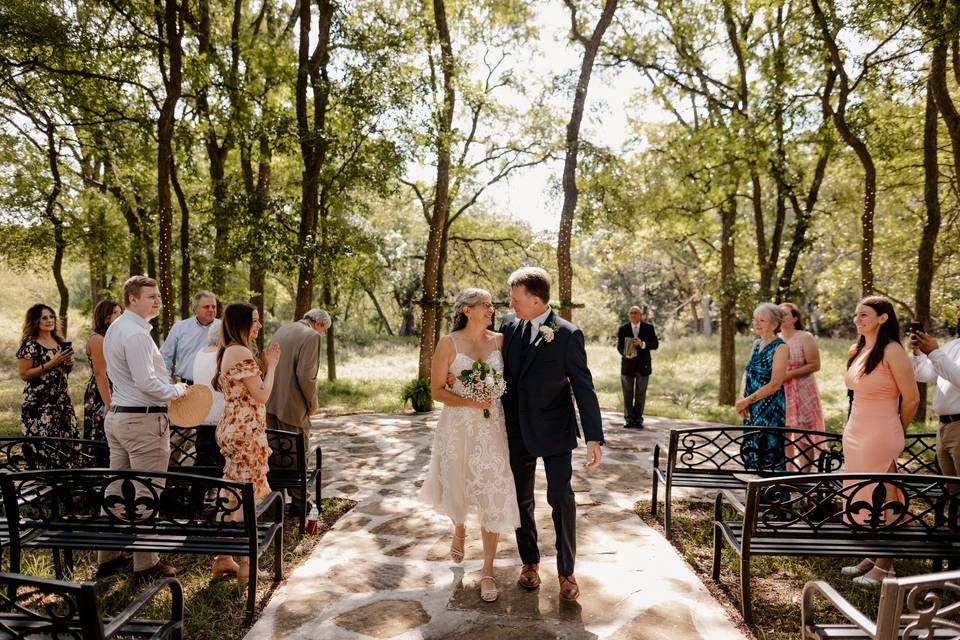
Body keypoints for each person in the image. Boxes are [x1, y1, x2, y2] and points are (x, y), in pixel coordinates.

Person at [499, 267, 604, 603]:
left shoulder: (568, 334)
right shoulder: (508, 327)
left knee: (560, 499)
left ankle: (566, 571)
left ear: (535, 299)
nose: (511, 304)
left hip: (556, 430)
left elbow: (584, 388)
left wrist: (593, 437)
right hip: (516, 430)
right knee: (521, 500)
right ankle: (529, 562)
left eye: (516, 299)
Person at [420, 288, 520, 603]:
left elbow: (513, 381)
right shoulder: (448, 344)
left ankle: (488, 570)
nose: (492, 309)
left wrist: (492, 393)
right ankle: (459, 527)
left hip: (492, 429)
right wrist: (469, 399)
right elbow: (436, 390)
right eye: (485, 305)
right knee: (458, 485)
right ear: (467, 310)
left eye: (492, 304)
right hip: (457, 428)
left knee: (493, 491)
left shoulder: (501, 342)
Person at [97, 276, 184, 580]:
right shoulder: (135, 334)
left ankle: (108, 557)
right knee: (148, 490)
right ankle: (146, 563)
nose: (158, 300)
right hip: (142, 421)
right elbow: (147, 383)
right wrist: (179, 392)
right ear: (133, 299)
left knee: (117, 487)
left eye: (158, 295)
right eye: (151, 296)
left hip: (119, 417)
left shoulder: (116, 329)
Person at [841, 296, 918, 586]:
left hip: (881, 432)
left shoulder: (893, 350)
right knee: (862, 493)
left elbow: (911, 398)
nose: (857, 319)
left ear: (883, 318)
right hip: (857, 431)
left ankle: (886, 566)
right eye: (856, 314)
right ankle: (872, 555)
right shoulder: (860, 348)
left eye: (864, 314)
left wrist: (898, 428)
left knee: (885, 498)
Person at [211, 303, 280, 583]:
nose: (258, 325)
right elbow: (262, 395)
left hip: (234, 427)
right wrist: (272, 366)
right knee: (247, 497)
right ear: (240, 322)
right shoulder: (240, 351)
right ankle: (247, 566)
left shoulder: (228, 350)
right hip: (245, 431)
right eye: (254, 320)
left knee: (233, 493)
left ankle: (223, 559)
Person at [266, 309, 330, 516]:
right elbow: (306, 376)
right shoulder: (311, 336)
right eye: (325, 330)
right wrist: (312, 403)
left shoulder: (282, 330)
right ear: (319, 324)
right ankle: (301, 504)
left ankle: (275, 502)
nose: (324, 334)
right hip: (292, 407)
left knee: (275, 453)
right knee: (297, 454)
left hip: (270, 403)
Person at [911, 300, 960, 490]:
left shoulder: (942, 350)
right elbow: (925, 375)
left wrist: (934, 352)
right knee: (952, 491)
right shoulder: (952, 345)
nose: (958, 313)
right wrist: (919, 353)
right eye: (958, 309)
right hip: (944, 428)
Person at [735, 303, 789, 471]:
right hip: (751, 406)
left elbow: (774, 384)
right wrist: (741, 399)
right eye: (755, 320)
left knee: (769, 454)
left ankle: (773, 495)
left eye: (762, 320)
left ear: (774, 325)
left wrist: (748, 401)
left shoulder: (781, 347)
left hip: (770, 408)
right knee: (751, 449)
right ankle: (753, 494)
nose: (756, 324)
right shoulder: (757, 343)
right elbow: (748, 373)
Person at [17, 304, 78, 439]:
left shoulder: (59, 342)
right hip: (39, 403)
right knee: (43, 446)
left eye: (51, 317)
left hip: (61, 401)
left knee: (66, 442)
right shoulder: (30, 345)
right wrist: (52, 363)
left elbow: (63, 371)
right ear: (35, 321)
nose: (50, 320)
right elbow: (24, 375)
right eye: (44, 318)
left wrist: (68, 364)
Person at [778, 302, 826, 469]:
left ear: (795, 318)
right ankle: (786, 476)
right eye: (778, 313)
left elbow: (814, 365)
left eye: (785, 314)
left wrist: (788, 375)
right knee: (784, 435)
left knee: (803, 434)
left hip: (803, 389)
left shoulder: (805, 336)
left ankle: (804, 476)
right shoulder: (775, 339)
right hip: (781, 390)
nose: (781, 317)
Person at [83, 300, 122, 441]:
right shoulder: (98, 340)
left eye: (121, 312)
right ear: (105, 317)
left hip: (116, 387)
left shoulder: (112, 337)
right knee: (101, 435)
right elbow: (100, 373)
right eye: (115, 313)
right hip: (102, 391)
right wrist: (108, 404)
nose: (120, 316)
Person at [190, 319, 226, 473]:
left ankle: (199, 494)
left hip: (203, 416)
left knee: (203, 460)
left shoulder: (200, 353)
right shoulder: (222, 355)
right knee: (222, 462)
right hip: (220, 418)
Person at [160, 291, 217, 385]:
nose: (211, 310)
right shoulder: (180, 327)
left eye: (213, 306)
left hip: (215, 387)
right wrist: (167, 378)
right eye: (206, 307)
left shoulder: (223, 327)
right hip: (187, 386)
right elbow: (165, 356)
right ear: (195, 309)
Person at [616, 306, 659, 429]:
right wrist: (625, 353)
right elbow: (619, 346)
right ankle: (629, 419)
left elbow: (655, 344)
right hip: (627, 366)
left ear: (641, 315)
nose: (634, 315)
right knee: (627, 393)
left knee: (640, 393)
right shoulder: (623, 328)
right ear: (629, 315)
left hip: (643, 366)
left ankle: (638, 419)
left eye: (636, 313)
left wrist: (643, 344)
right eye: (631, 313)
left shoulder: (648, 328)